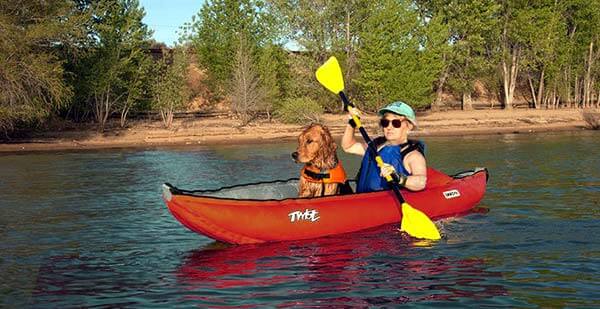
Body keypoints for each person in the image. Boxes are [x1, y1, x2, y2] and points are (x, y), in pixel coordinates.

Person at [341, 101, 427, 193]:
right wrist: (351, 123)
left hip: (386, 203)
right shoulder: (376, 146)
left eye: (396, 123)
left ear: (409, 126)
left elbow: (421, 182)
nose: (389, 127)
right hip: (363, 200)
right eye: (385, 122)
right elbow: (348, 146)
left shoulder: (413, 155)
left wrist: (398, 177)